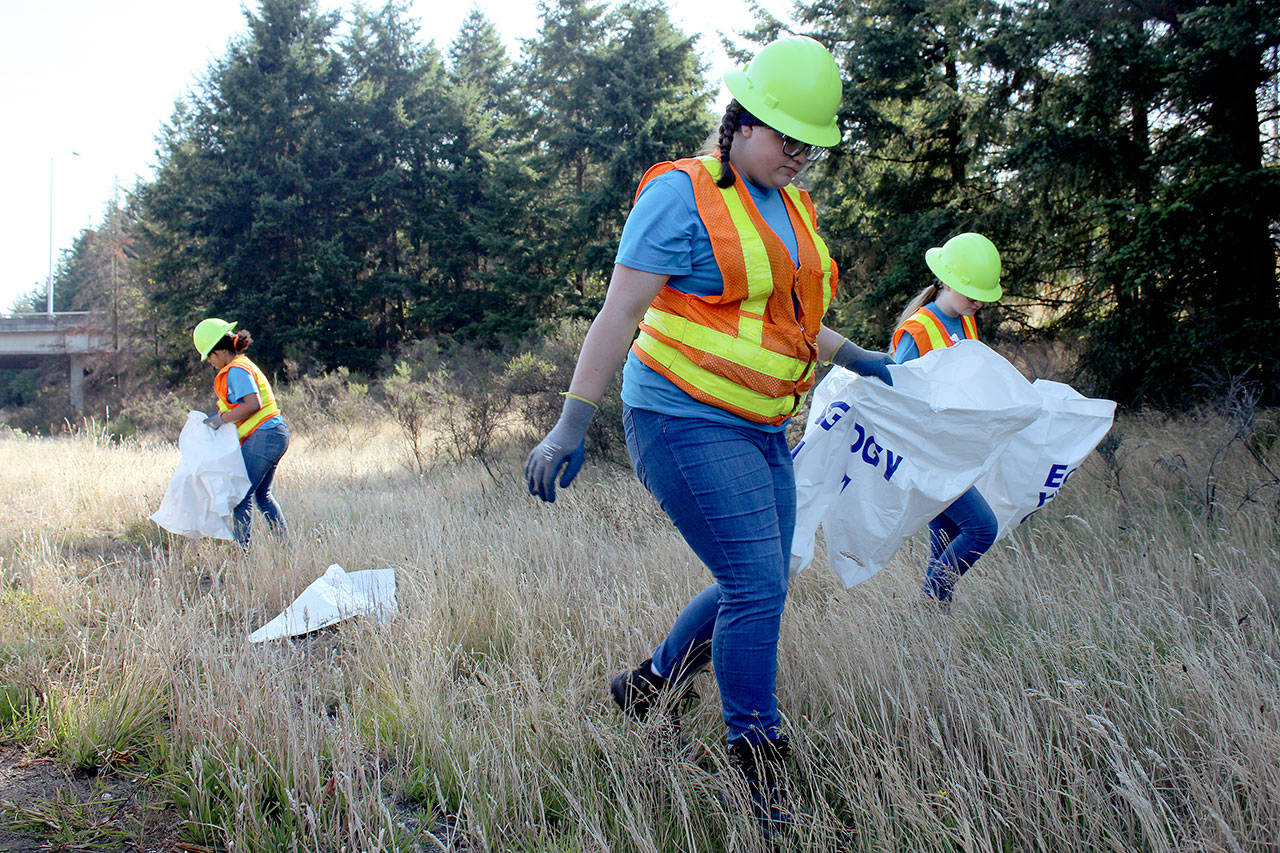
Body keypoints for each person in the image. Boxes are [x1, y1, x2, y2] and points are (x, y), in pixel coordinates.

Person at [525, 36, 892, 824]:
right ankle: (756, 761)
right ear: (742, 120)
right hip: (681, 418)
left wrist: (855, 354)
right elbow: (619, 312)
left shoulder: (791, 201)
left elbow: (790, 320)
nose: (799, 156)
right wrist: (570, 424)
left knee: (762, 578)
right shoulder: (681, 194)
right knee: (758, 584)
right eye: (788, 138)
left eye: (811, 146)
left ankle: (648, 685)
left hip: (763, 426)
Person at [890, 232, 1003, 610]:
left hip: (952, 450)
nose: (977, 305)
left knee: (948, 533)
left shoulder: (967, 323)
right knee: (982, 528)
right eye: (973, 296)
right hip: (926, 455)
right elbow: (896, 393)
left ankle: (933, 622)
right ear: (947, 282)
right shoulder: (918, 330)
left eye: (982, 299)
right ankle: (931, 598)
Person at [192, 318, 290, 548]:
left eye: (210, 356)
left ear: (219, 350)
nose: (210, 362)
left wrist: (220, 419)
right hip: (274, 434)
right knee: (262, 496)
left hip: (265, 436)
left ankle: (242, 552)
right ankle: (285, 547)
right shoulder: (241, 365)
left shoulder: (236, 370)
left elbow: (252, 404)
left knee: (240, 496)